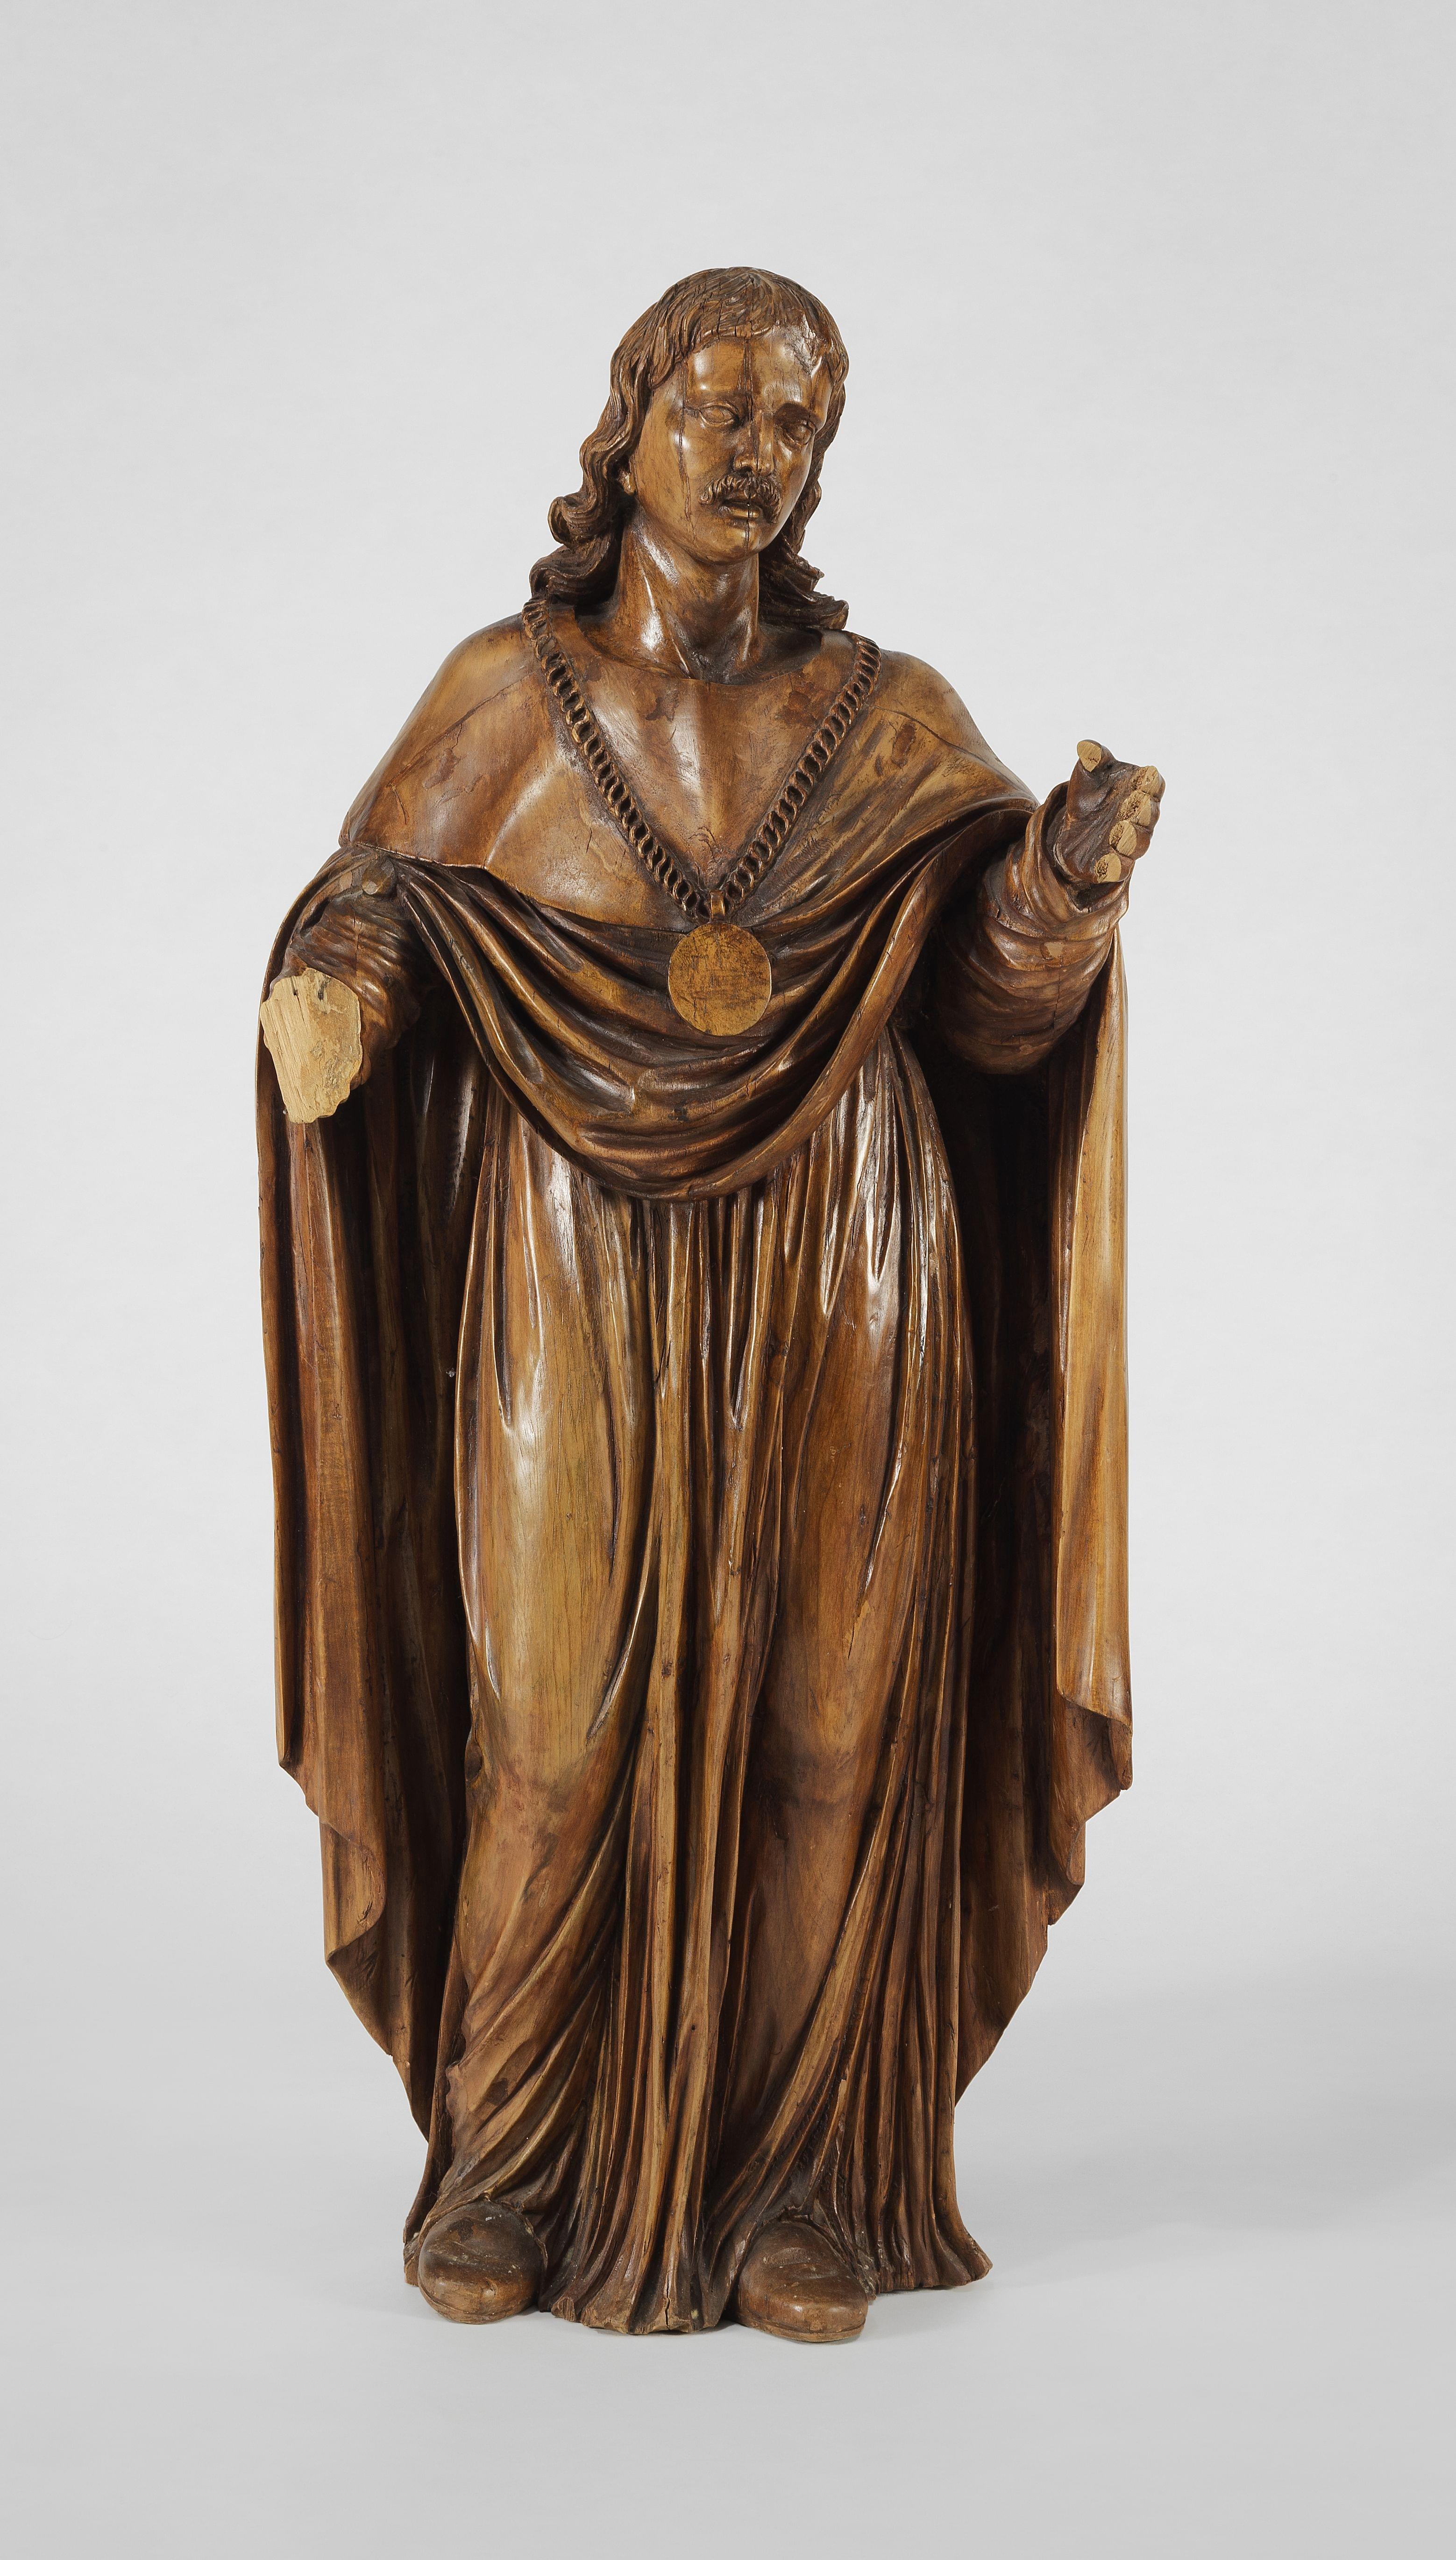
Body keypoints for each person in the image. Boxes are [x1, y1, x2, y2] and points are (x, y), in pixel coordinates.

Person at [258, 266, 1162, 2343]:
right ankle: (511, 2161)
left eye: (797, 420)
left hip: (854, 1245)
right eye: (721, 405)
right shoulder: (505, 695)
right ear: (631, 420)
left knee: (833, 1726)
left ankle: (806, 2180)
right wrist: (339, 1000)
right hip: (572, 1255)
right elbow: (382, 906)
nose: (757, 449)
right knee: (550, 1721)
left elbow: (989, 1017)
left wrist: (1061, 888)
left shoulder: (892, 718)